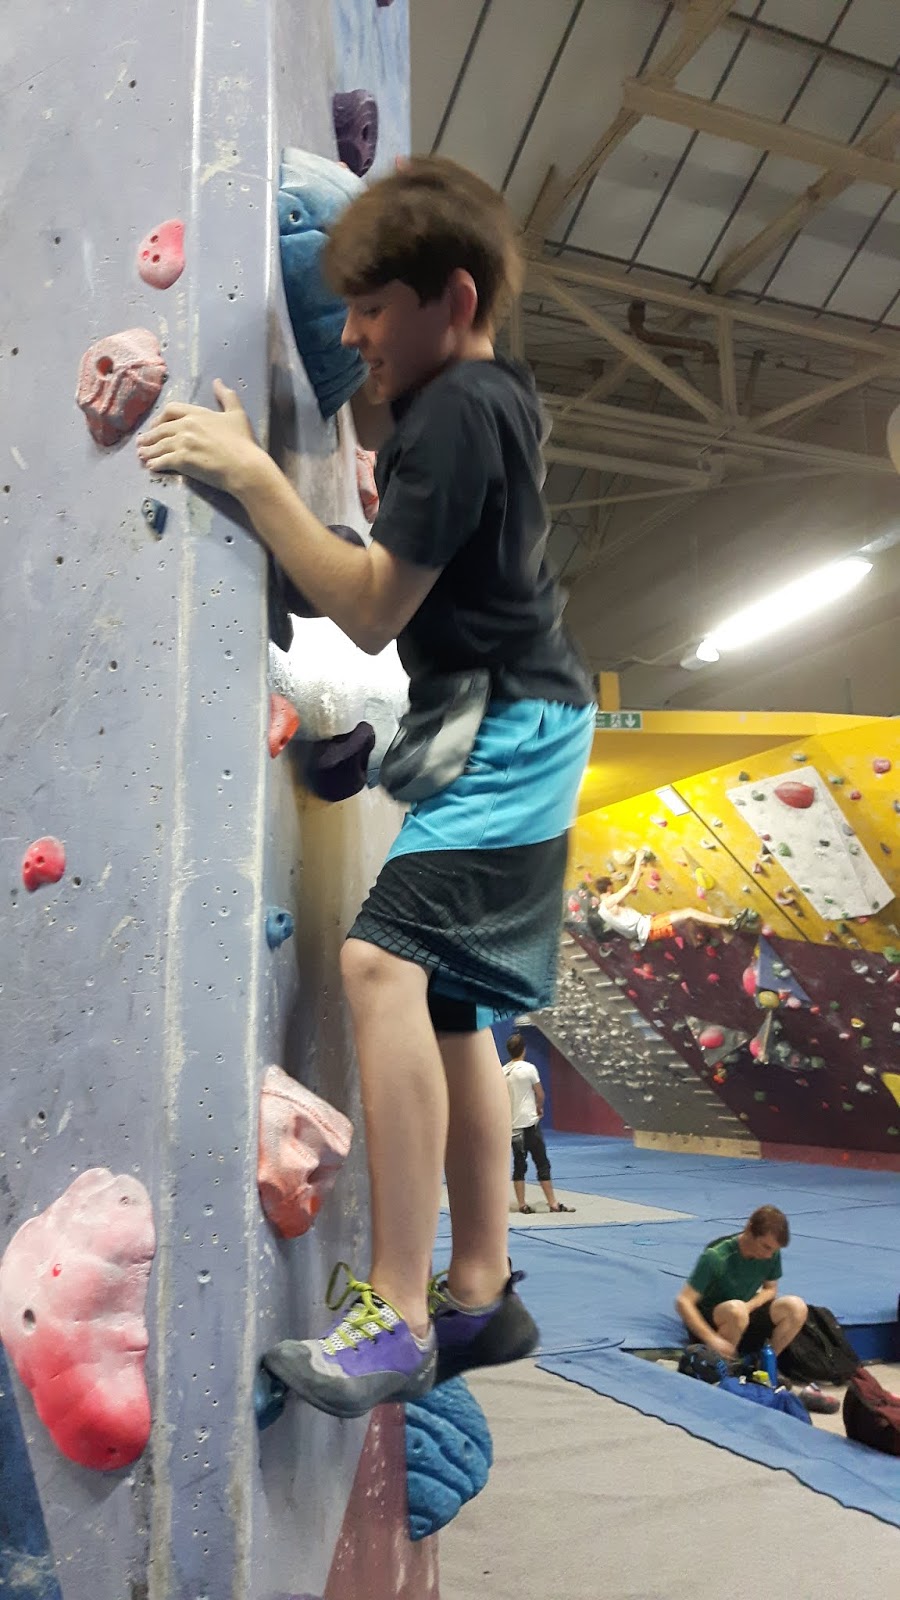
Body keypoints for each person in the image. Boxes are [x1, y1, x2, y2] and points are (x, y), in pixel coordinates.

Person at [136, 156, 594, 1418]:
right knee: (446, 1005)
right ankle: (481, 1289)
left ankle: (396, 1311)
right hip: (516, 713)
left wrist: (250, 472)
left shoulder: (454, 412)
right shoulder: (491, 402)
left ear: (452, 298)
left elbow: (376, 609)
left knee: (379, 967)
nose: (352, 335)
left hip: (505, 719)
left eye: (374, 310)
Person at [675, 1205, 808, 1362]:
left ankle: (765, 1363)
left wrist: (749, 1306)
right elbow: (683, 1301)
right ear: (749, 1230)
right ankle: (721, 1365)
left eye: (773, 1250)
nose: (768, 1255)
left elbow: (770, 1289)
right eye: (765, 1247)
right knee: (736, 1311)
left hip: (743, 1312)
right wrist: (711, 1338)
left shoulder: (771, 1253)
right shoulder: (716, 1256)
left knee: (796, 1307)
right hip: (714, 1319)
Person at [568, 851, 756, 948]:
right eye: (612, 886)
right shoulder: (608, 902)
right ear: (609, 888)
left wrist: (639, 871)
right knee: (689, 912)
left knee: (686, 918)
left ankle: (697, 942)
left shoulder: (603, 910)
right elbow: (631, 885)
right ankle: (731, 922)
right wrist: (639, 860)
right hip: (649, 928)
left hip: (648, 926)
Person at [503, 1032, 574, 1215]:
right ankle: (552, 1203)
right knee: (542, 1163)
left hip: (513, 1125)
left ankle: (522, 1204)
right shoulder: (529, 1068)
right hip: (530, 1123)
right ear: (523, 1050)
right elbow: (540, 1093)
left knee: (519, 1165)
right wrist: (539, 1107)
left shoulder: (504, 1071)